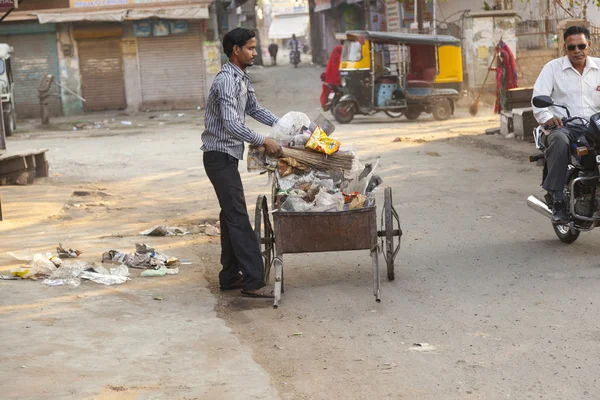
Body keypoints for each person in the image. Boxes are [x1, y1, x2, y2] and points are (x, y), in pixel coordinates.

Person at [201, 28, 282, 298]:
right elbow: (232, 124)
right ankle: (254, 282)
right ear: (236, 50)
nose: (255, 52)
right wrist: (264, 141)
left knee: (229, 215)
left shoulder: (242, 78)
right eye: (250, 48)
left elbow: (254, 109)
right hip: (218, 157)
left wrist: (284, 125)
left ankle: (228, 276)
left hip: (227, 156)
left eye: (255, 47)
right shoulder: (226, 81)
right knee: (238, 217)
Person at [532, 25, 600, 224]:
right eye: (572, 47)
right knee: (559, 140)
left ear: (589, 45)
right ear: (565, 48)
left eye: (581, 45)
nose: (577, 50)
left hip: (594, 126)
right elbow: (538, 99)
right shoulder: (552, 68)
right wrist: (547, 117)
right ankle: (558, 199)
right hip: (564, 126)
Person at [320, 43, 343, 109]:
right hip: (336, 81)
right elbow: (338, 71)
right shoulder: (338, 60)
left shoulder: (333, 59)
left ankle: (325, 105)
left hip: (330, 80)